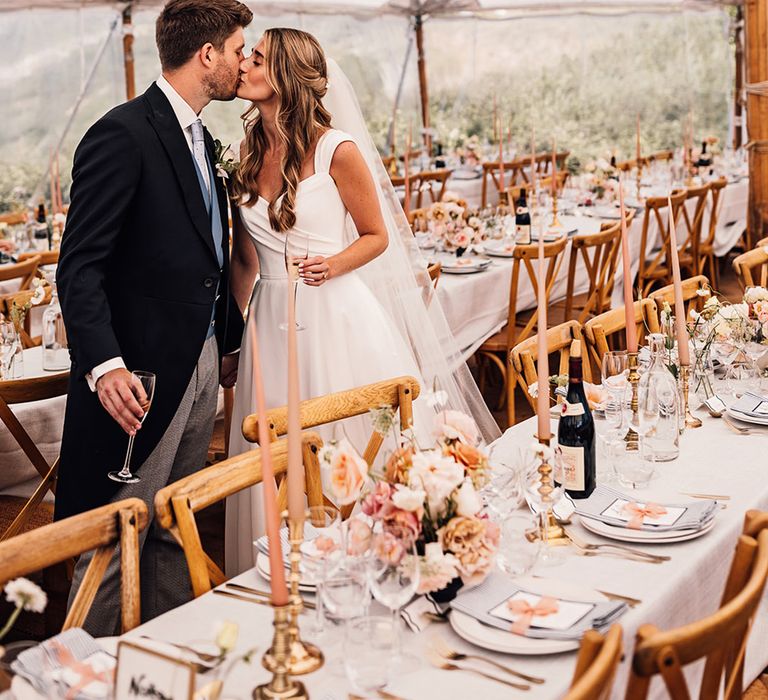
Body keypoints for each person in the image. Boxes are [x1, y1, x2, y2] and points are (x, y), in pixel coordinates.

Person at [224, 28, 500, 575]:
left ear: (283, 75)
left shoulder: (337, 150)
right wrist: (241, 330)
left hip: (336, 314)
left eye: (256, 59)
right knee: (279, 459)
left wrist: (333, 264)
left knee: (352, 446)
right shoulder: (244, 153)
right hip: (270, 325)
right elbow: (243, 261)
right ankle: (284, 578)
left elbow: (377, 235)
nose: (245, 67)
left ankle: (379, 565)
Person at [56, 0, 251, 634]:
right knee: (120, 527)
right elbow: (79, 266)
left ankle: (167, 655)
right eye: (237, 49)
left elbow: (209, 254)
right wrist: (105, 365)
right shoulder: (124, 132)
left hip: (197, 360)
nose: (242, 61)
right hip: (138, 371)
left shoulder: (201, 137)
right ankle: (95, 666)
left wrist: (225, 342)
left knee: (175, 518)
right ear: (207, 55)